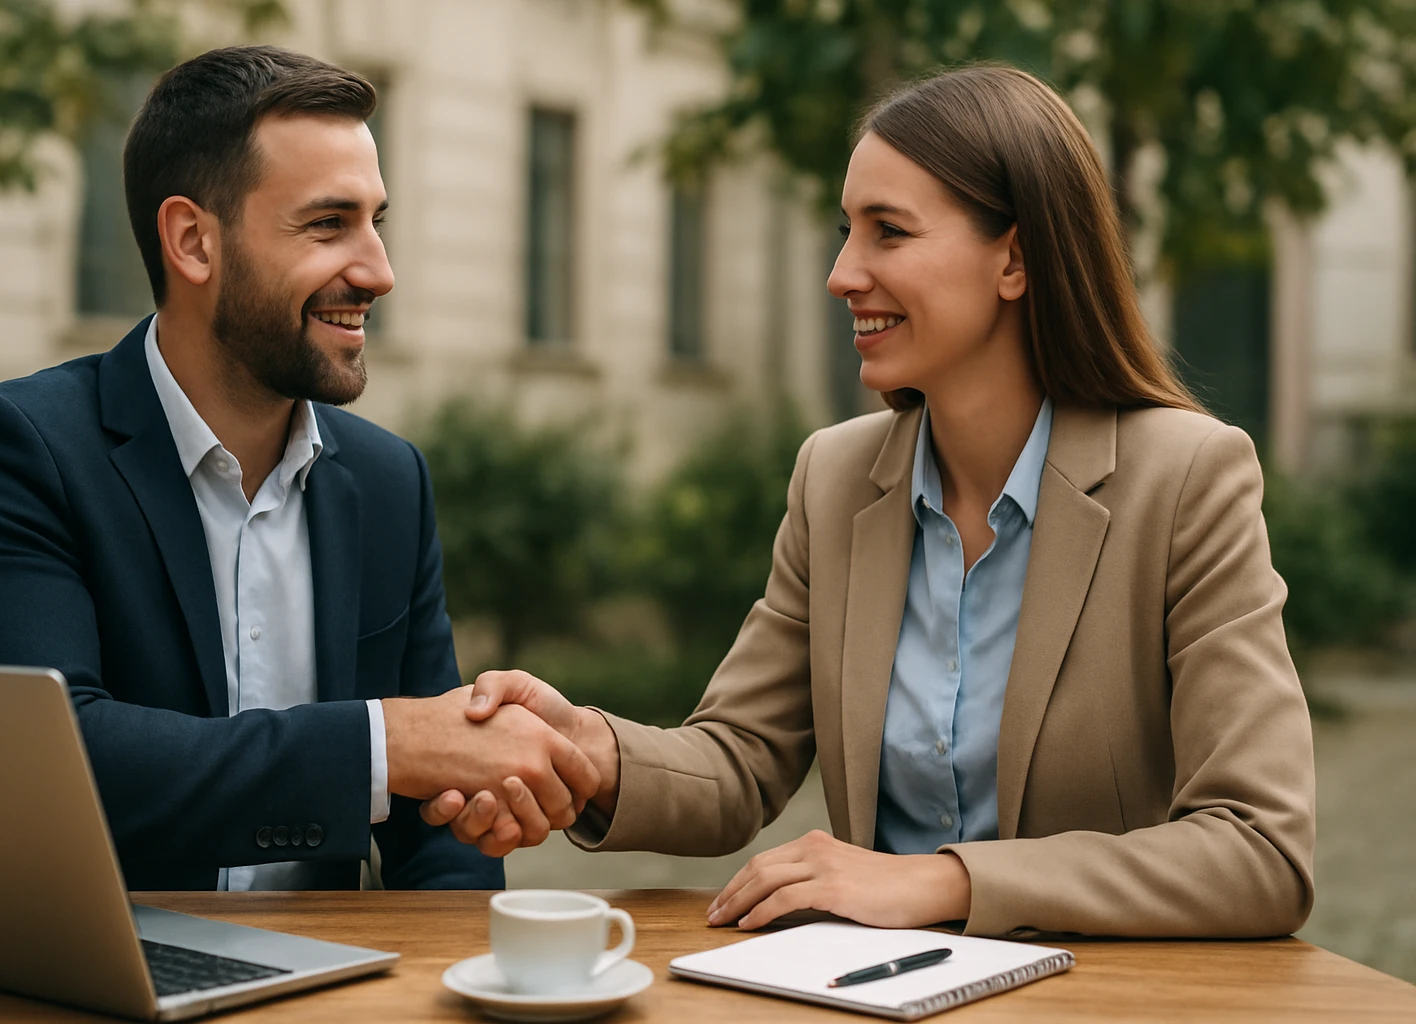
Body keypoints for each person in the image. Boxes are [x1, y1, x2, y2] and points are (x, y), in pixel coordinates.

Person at [424, 65, 1316, 938]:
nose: (842, 273)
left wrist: (939, 884)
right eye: (846, 230)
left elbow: (1260, 851)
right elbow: (738, 760)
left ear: (1016, 258)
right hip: (877, 999)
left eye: (888, 231)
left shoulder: (1189, 478)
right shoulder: (835, 476)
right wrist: (589, 749)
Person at [0, 46, 596, 893]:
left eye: (376, 221)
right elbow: (47, 763)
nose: (378, 272)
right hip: (106, 983)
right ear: (194, 241)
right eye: (327, 224)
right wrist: (385, 745)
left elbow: (443, 834)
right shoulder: (16, 449)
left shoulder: (391, 483)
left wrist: (463, 968)